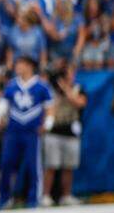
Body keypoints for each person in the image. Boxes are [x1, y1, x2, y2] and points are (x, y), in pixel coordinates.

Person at [0, 56, 52, 208]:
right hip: (13, 131)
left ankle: (33, 199)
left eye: (20, 64)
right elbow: (3, 105)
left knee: (33, 166)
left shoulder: (41, 86)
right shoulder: (12, 85)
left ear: (29, 65)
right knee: (6, 163)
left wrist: (48, 123)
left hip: (32, 132)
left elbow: (50, 108)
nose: (17, 67)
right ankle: (4, 198)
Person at [42, 65, 85, 206]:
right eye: (67, 74)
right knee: (51, 165)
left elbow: (80, 103)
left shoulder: (78, 87)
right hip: (54, 132)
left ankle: (66, 195)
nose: (70, 76)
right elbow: (48, 107)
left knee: (69, 166)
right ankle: (46, 196)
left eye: (71, 73)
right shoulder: (51, 89)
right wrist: (57, 87)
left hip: (71, 132)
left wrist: (66, 88)